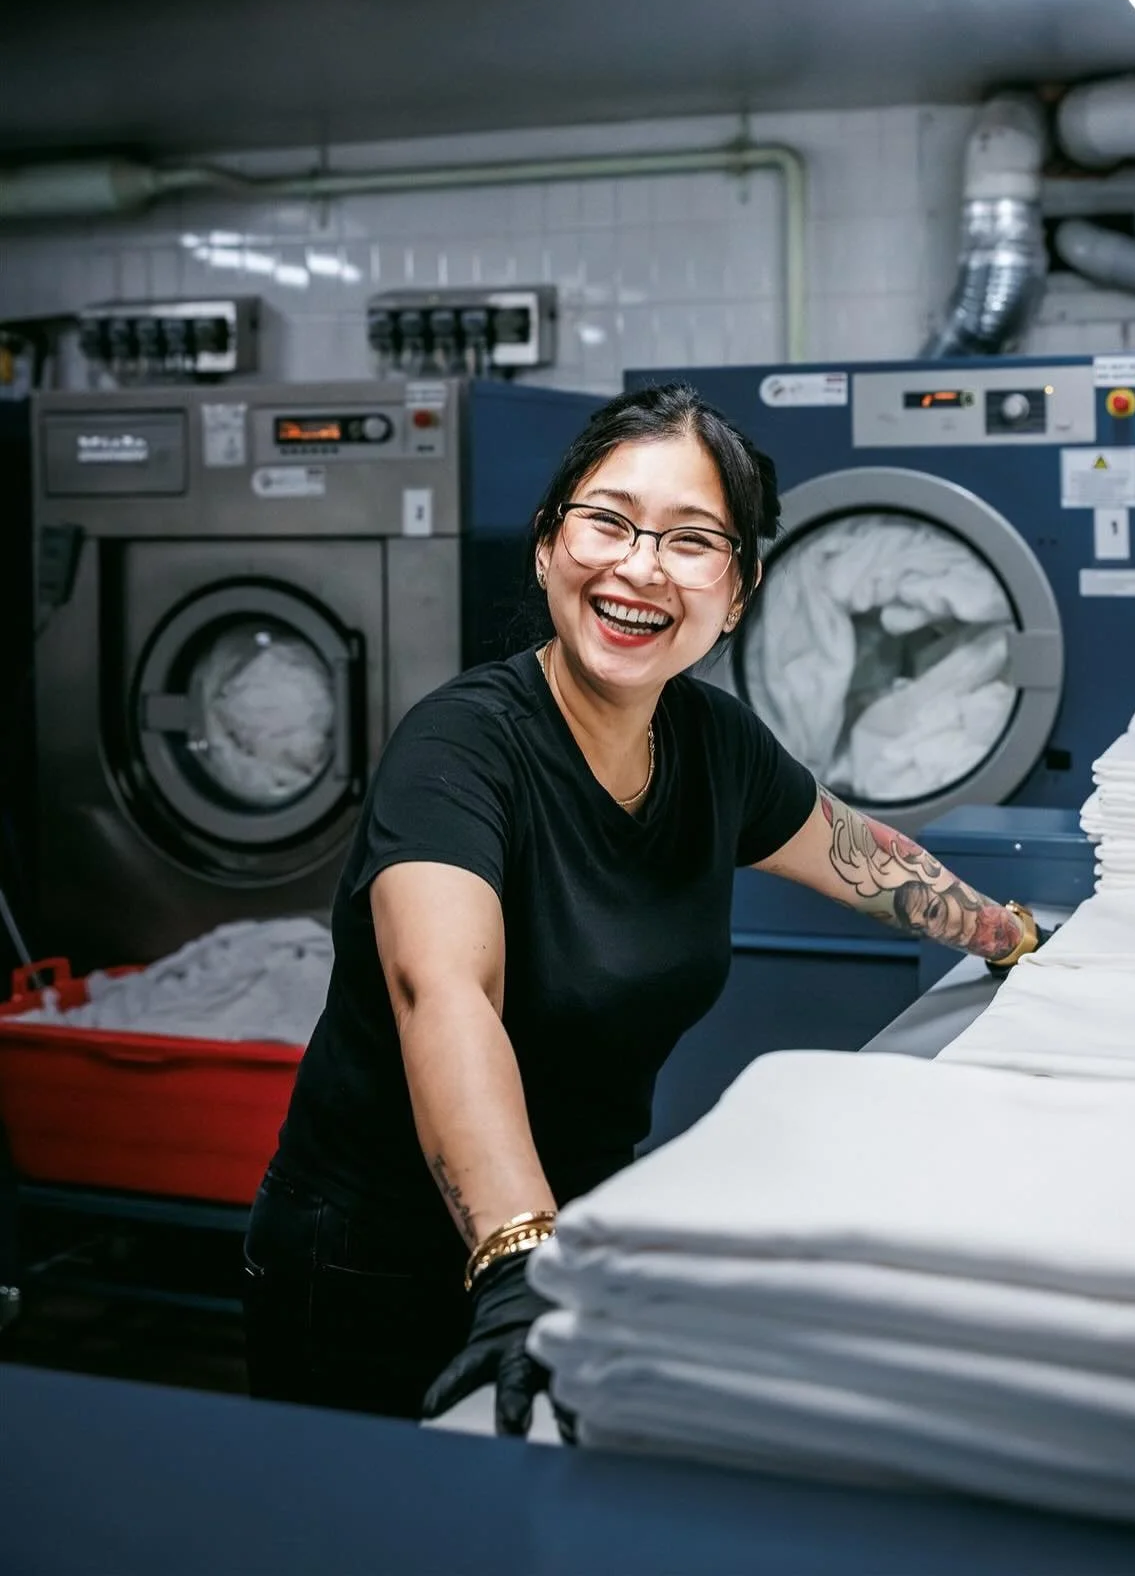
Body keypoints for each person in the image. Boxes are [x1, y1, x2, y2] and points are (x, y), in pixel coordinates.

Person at [242, 382, 1039, 1429]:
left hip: (570, 1244)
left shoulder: (712, 745)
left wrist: (1013, 938)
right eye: (607, 522)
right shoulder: (461, 751)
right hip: (375, 1265)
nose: (638, 567)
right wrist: (516, 1253)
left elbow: (860, 856)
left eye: (691, 539)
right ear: (545, 547)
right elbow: (441, 992)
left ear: (739, 591)